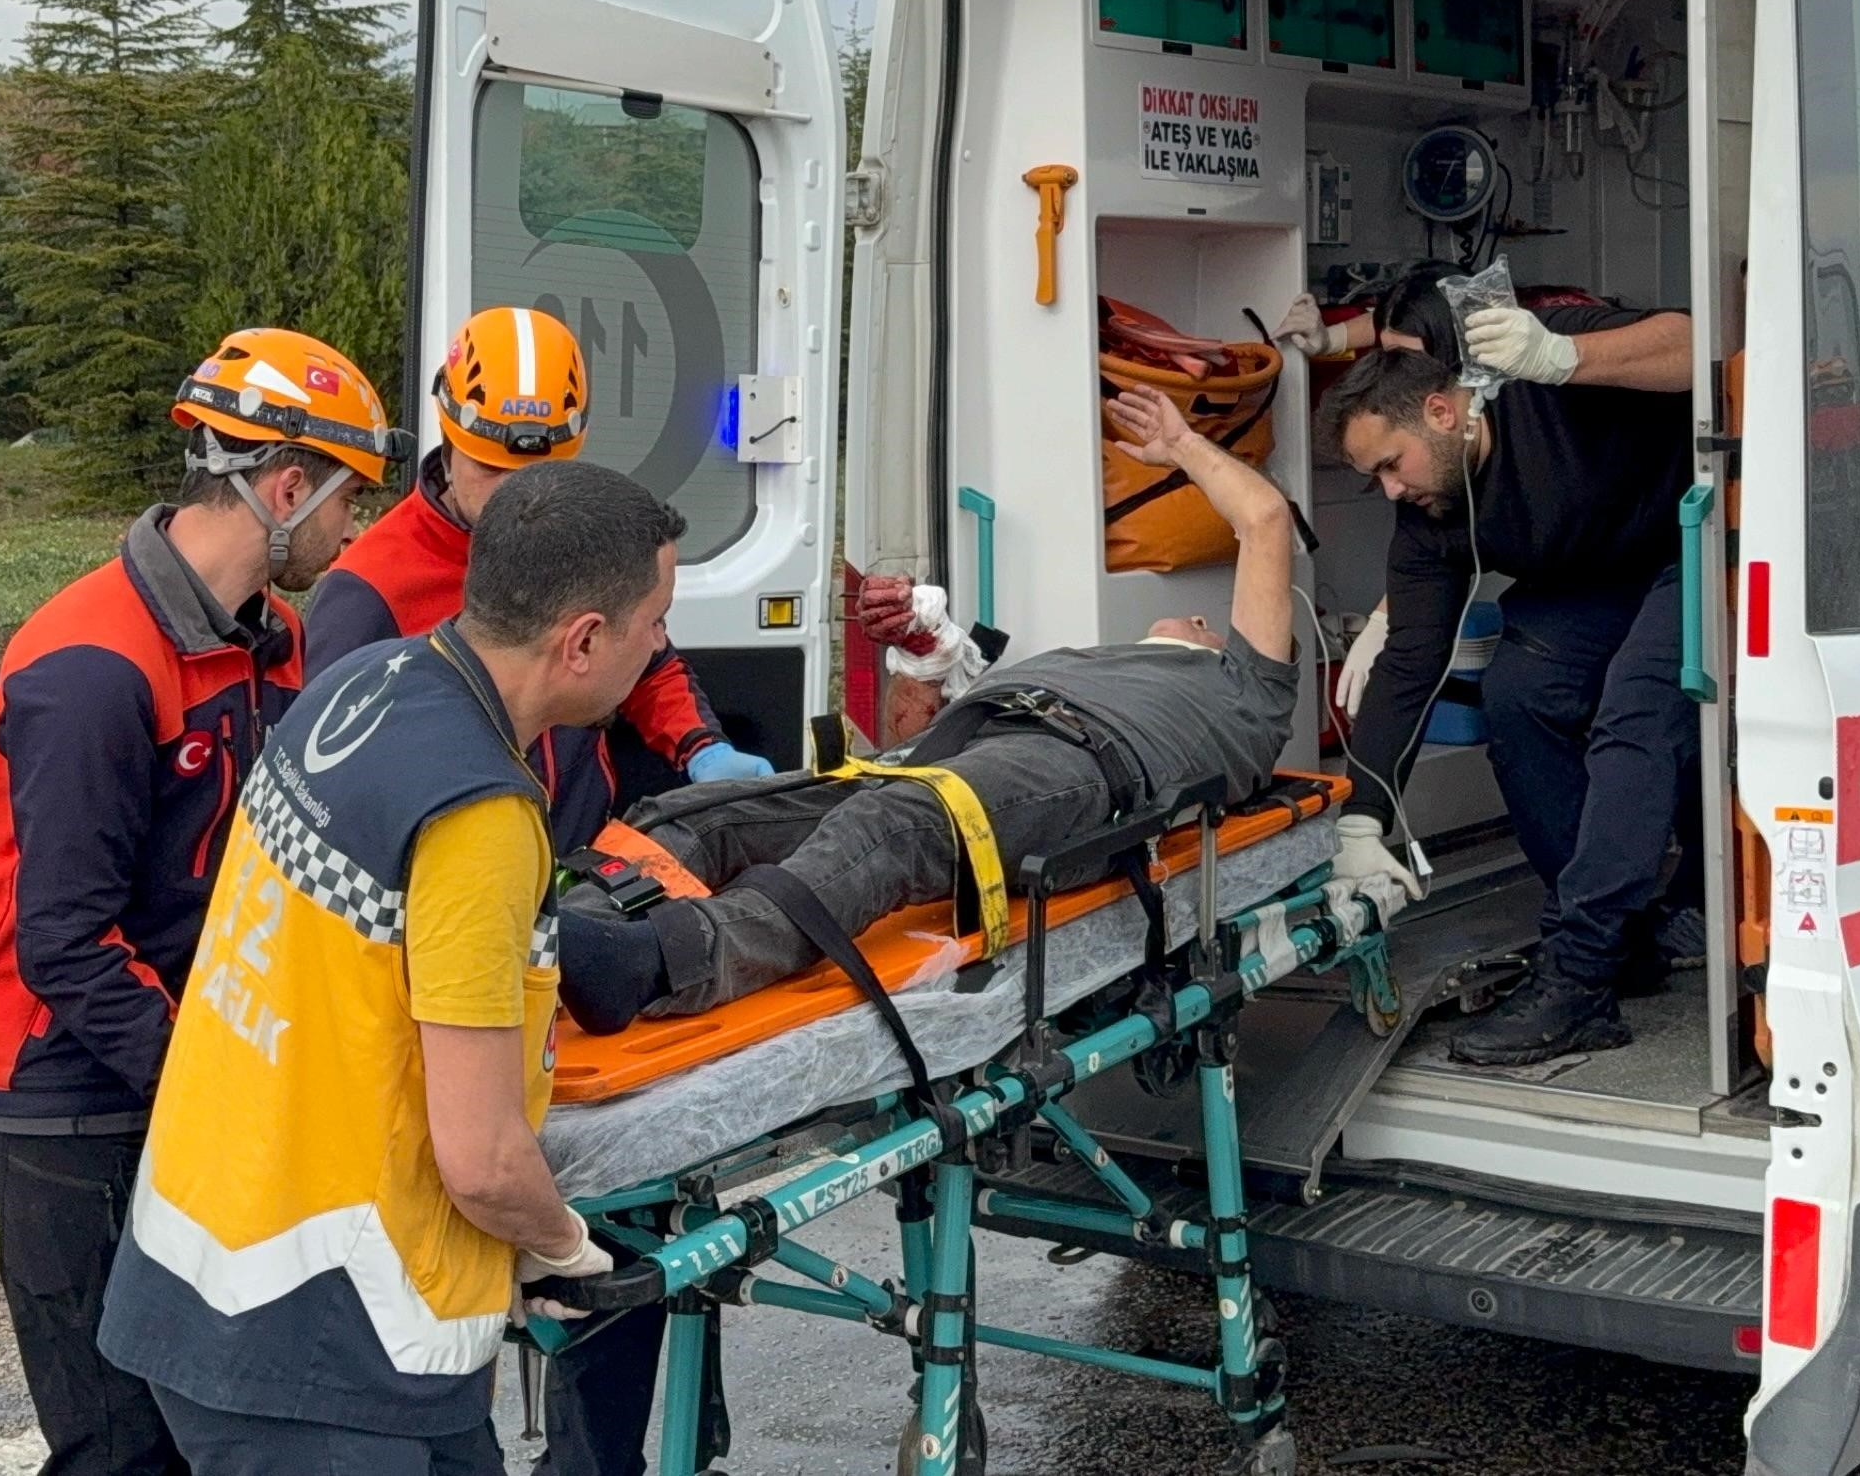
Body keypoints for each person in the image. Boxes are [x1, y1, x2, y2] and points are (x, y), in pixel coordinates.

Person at [98, 463, 687, 1475]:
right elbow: (484, 1159)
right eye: (651, 623)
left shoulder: (360, 686)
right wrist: (562, 1247)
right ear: (584, 638)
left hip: (200, 1267)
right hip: (332, 1349)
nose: (658, 646)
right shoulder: (477, 818)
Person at [555, 385, 1421, 1030]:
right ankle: (556, 935)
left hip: (1085, 768)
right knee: (714, 813)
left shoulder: (1248, 692)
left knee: (887, 834)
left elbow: (1264, 520)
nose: (1195, 617)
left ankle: (662, 961)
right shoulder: (1090, 659)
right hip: (981, 750)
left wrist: (1184, 444)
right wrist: (923, 655)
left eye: (1203, 621)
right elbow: (914, 731)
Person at [0, 329, 405, 1476]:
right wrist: (219, 1081)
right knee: (119, 1436)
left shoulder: (272, 641)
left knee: (212, 1406)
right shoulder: (92, 667)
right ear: (287, 489)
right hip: (57, 1085)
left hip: (182, 1049)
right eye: (351, 503)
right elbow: (64, 944)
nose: (357, 534)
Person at [1314, 287, 1697, 1067]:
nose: (1390, 489)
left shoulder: (1538, 360)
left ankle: (1580, 974)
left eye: (1391, 464)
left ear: (1444, 412)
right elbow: (1413, 661)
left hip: (1690, 543)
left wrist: (1563, 358)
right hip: (1590, 585)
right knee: (1517, 698)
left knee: (1636, 710)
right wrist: (1362, 822)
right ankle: (1613, 946)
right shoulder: (1431, 514)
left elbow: (1697, 343)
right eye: (1374, 478)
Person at [310, 304, 771, 849]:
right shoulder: (368, 588)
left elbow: (642, 656)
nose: (515, 495)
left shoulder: (583, 530)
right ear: (449, 437)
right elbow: (330, 771)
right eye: (490, 469)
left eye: (537, 473)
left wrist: (700, 748)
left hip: (577, 852)